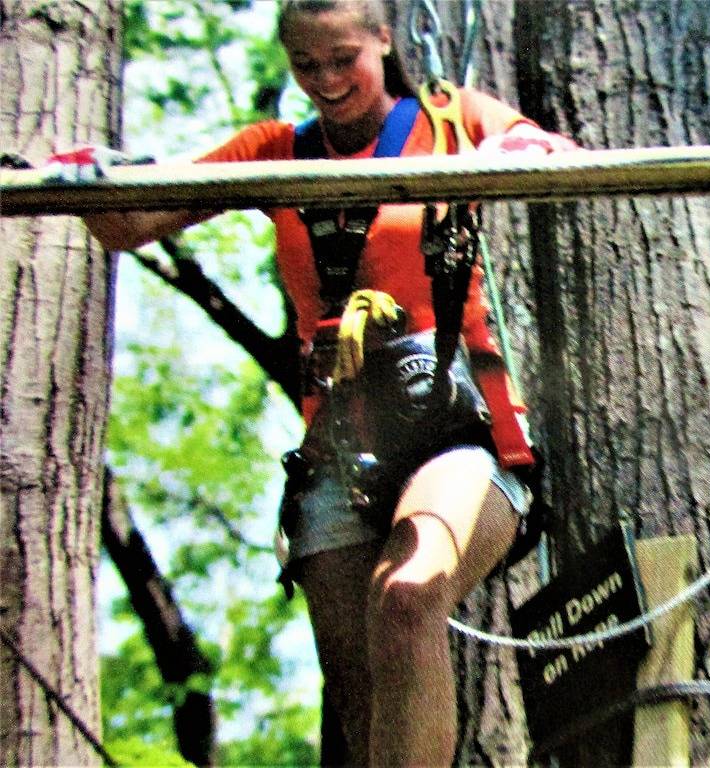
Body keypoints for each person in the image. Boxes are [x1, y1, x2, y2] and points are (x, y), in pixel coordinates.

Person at [55, 0, 575, 765]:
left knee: (406, 598)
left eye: (344, 58)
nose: (326, 81)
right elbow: (134, 221)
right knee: (358, 687)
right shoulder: (280, 149)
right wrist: (90, 184)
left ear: (383, 41)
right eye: (307, 65)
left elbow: (542, 151)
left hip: (458, 429)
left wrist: (525, 144)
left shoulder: (447, 118)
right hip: (340, 445)